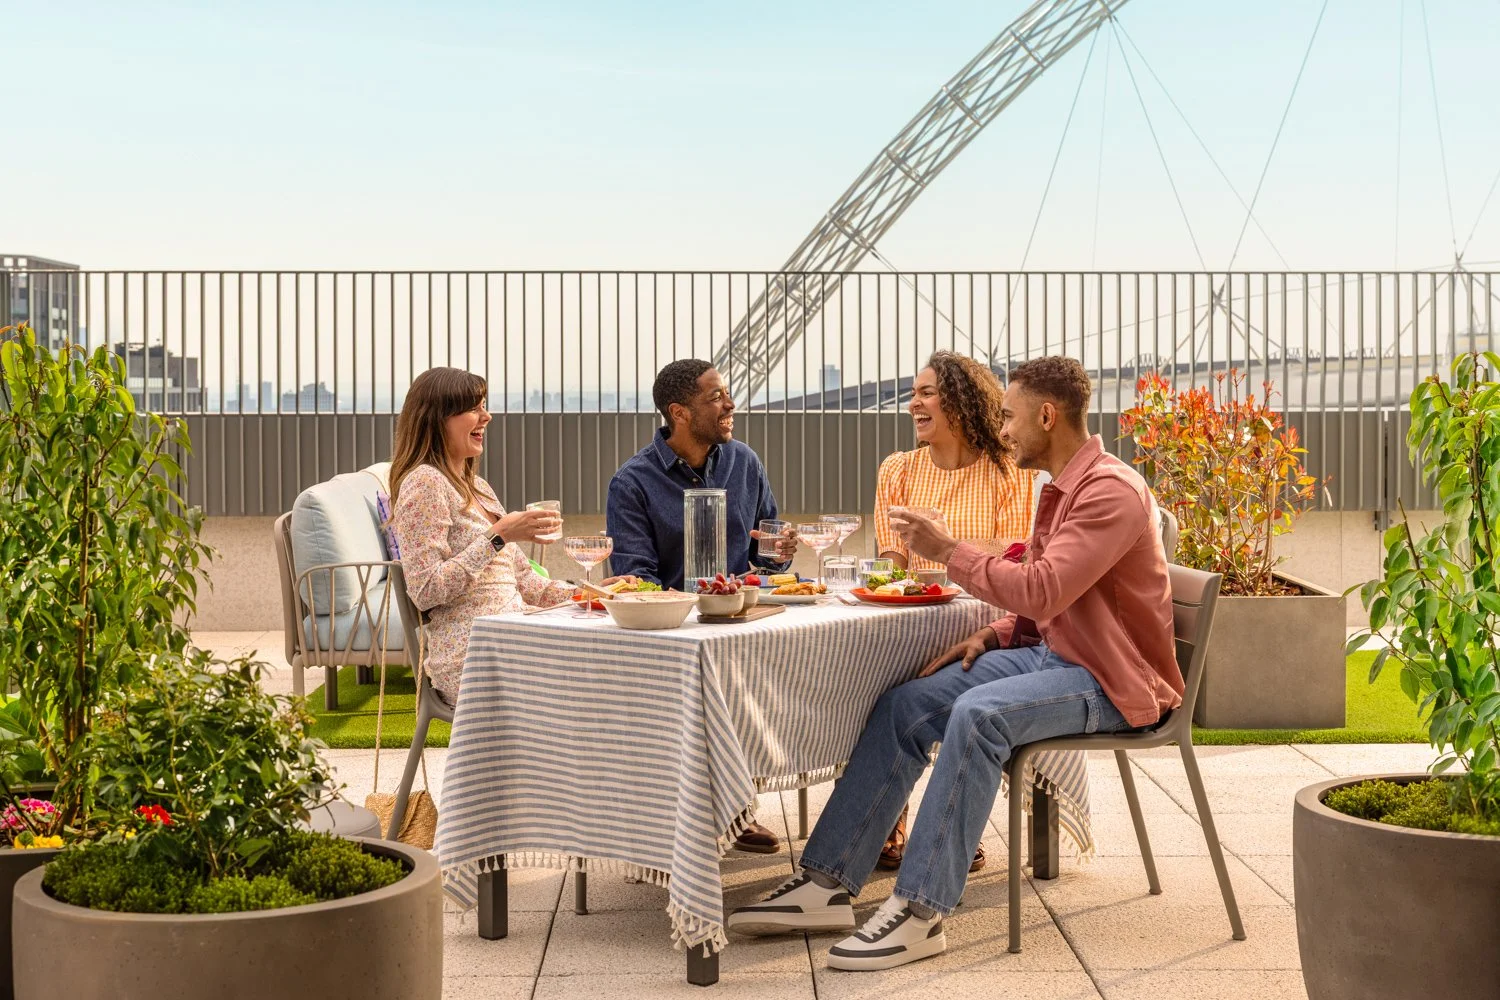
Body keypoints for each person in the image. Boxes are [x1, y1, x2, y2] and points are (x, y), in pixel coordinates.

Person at [726, 356, 1180, 972]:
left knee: (979, 714)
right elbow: (1048, 595)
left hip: (1111, 683)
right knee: (906, 703)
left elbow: (1043, 588)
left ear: (1048, 415)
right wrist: (994, 634)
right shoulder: (1063, 486)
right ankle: (827, 882)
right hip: (1059, 656)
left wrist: (946, 550)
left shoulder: (1108, 491)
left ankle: (919, 911)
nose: (1004, 428)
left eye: (1011, 416)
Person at [607, 358, 798, 853]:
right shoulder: (632, 483)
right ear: (680, 412)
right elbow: (635, 581)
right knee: (716, 677)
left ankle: (736, 802)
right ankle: (726, 809)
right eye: (716, 397)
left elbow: (767, 558)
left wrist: (780, 552)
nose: (730, 404)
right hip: (673, 642)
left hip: (742, 627)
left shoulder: (745, 463)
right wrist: (689, 606)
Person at [871, 350, 1038, 874]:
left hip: (985, 615)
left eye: (927, 393)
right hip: (913, 615)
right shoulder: (897, 470)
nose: (913, 404)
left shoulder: (1008, 472)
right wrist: (889, 575)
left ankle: (952, 825)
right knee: (873, 677)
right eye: (913, 393)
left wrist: (947, 545)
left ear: (962, 403)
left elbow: (1017, 552)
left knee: (955, 696)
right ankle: (885, 818)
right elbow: (890, 560)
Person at [390, 367, 629, 705]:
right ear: (437, 418)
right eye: (474, 408)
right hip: (474, 656)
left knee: (618, 652)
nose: (486, 417)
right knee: (603, 674)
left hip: (512, 636)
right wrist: (498, 536)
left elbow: (528, 583)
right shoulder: (425, 483)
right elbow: (425, 591)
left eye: (484, 406)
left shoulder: (479, 489)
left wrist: (588, 593)